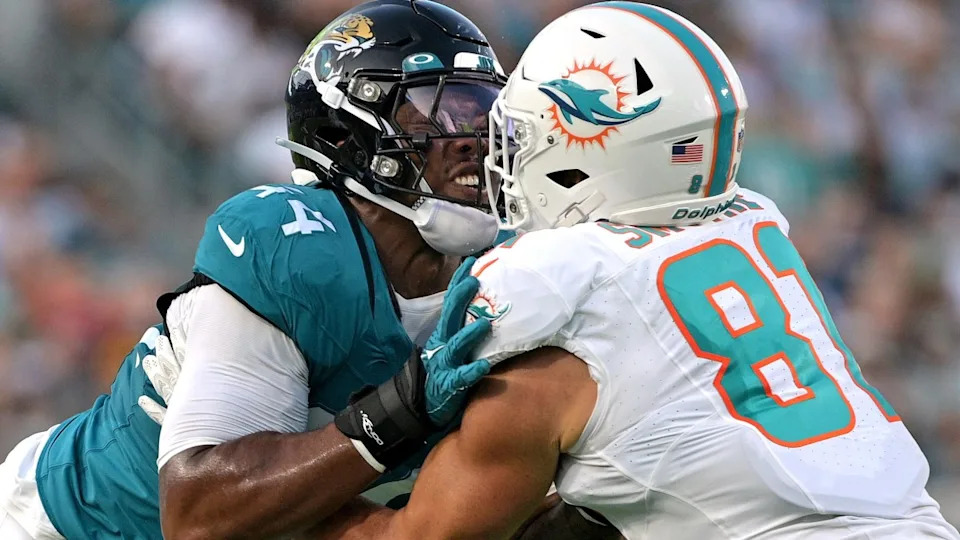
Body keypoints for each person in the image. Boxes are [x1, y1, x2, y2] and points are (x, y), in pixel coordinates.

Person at [308, 2, 960, 539]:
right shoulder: (753, 223)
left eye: (520, 136)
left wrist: (268, 500)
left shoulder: (547, 286)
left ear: (591, 149)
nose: (497, 160)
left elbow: (418, 537)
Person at [0, 1, 507, 538]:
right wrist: (398, 411)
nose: (471, 138)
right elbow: (198, 515)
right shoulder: (296, 247)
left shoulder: (507, 271)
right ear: (344, 134)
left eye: (485, 114)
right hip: (78, 523)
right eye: (440, 109)